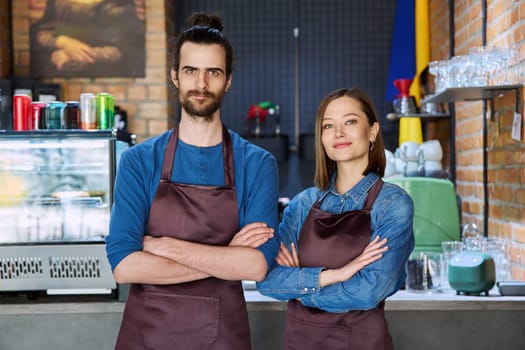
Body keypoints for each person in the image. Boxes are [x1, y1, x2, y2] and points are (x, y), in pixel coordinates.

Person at [105, 13, 279, 350]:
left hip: (223, 338)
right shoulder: (139, 161)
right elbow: (124, 266)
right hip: (146, 337)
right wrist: (225, 257)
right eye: (190, 71)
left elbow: (255, 265)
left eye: (213, 72)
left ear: (228, 80)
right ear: (175, 76)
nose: (201, 84)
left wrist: (163, 246)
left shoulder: (256, 164)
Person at [257, 87, 415, 349]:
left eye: (350, 122)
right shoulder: (303, 204)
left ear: (373, 131)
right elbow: (267, 280)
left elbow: (368, 292)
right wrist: (335, 275)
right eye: (328, 126)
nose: (338, 133)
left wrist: (300, 286)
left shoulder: (393, 205)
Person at [29, 0, 145, 77]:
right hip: (55, 72)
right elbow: (41, 32)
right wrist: (62, 41)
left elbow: (125, 49)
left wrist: (72, 55)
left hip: (102, 73)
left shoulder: (118, 6)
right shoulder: (58, 3)